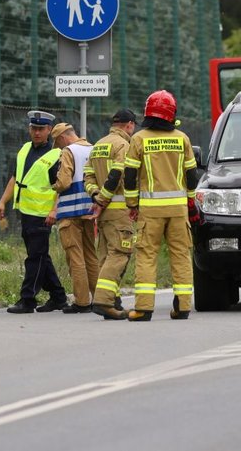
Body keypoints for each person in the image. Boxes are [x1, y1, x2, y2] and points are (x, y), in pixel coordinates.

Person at [123, 90, 200, 321]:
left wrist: (131, 203)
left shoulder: (138, 139)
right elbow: (191, 175)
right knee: (181, 255)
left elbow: (129, 175)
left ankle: (144, 308)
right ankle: (183, 306)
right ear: (171, 114)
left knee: (147, 256)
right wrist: (190, 201)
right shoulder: (182, 138)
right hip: (178, 211)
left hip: (151, 210)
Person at [0, 110, 68, 313]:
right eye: (34, 128)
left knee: (35, 257)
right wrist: (2, 202)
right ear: (29, 129)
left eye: (41, 129)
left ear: (49, 131)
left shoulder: (56, 155)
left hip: (43, 215)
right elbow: (15, 178)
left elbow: (60, 186)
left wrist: (54, 210)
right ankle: (58, 297)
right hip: (25, 212)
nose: (37, 132)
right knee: (40, 256)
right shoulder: (24, 149)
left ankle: (27, 299)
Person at [84, 109, 138, 320]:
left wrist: (96, 196)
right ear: (130, 125)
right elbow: (117, 174)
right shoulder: (123, 145)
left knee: (105, 256)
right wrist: (104, 198)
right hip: (118, 211)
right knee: (120, 254)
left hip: (104, 213)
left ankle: (113, 300)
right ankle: (104, 301)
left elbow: (87, 176)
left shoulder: (98, 145)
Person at [49, 123, 98, 314]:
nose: (59, 147)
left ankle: (82, 302)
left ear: (62, 138)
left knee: (75, 257)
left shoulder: (68, 151)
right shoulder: (93, 148)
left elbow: (64, 181)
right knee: (91, 256)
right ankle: (100, 298)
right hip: (89, 209)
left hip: (70, 212)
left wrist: (54, 185)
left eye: (58, 143)